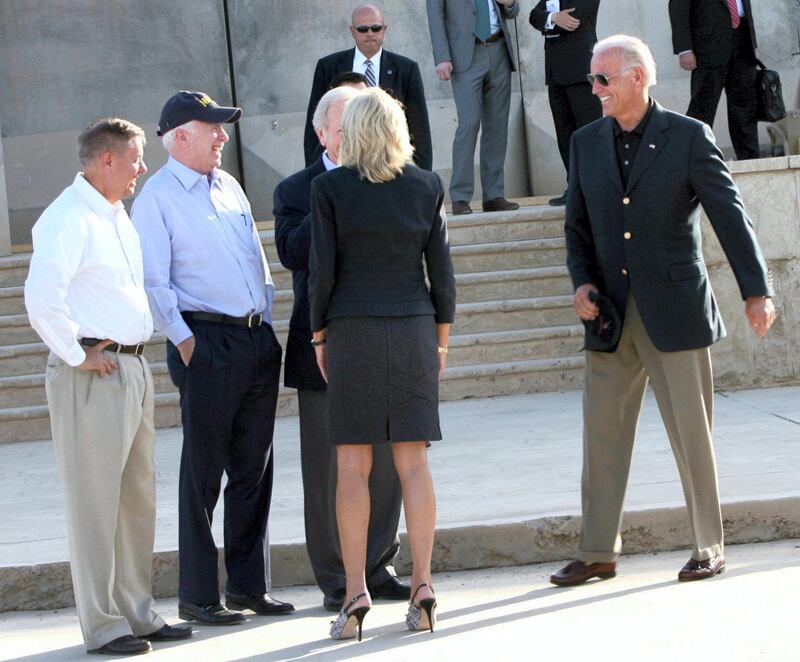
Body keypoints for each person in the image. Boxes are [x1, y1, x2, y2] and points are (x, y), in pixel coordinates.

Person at [552, 34, 775, 587]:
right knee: (601, 436)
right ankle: (598, 551)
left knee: (691, 433)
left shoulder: (689, 137)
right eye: (591, 78)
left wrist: (757, 290)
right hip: (608, 314)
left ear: (637, 77)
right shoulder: (585, 142)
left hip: (674, 308)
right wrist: (581, 282)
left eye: (603, 78)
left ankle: (708, 544)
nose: (594, 88)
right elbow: (576, 226)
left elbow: (730, 215)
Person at [24, 118, 192, 655]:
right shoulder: (66, 218)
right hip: (93, 373)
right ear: (107, 161)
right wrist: (76, 352)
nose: (144, 168)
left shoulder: (116, 215)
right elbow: (41, 299)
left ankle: (136, 612)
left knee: (135, 499)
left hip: (131, 368)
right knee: (94, 503)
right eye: (137, 158)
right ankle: (102, 624)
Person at [131, 91, 293, 625]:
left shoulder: (228, 185)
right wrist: (184, 341)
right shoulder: (156, 197)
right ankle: (199, 596)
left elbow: (255, 260)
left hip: (252, 339)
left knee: (254, 468)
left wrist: (264, 321)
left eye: (223, 127)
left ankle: (248, 586)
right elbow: (154, 281)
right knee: (203, 474)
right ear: (179, 136)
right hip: (205, 341)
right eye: (212, 128)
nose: (223, 137)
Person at [307, 88, 456, 640]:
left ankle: (353, 596)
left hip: (352, 330)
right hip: (415, 328)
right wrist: (439, 343)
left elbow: (321, 274)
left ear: (352, 132)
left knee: (353, 467)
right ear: (398, 129)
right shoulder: (425, 185)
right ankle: (422, 586)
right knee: (413, 463)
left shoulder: (329, 189)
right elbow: (442, 276)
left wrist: (319, 336)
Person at [274, 85, 410, 613]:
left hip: (385, 339)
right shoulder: (296, 188)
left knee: (388, 463)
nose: (356, 130)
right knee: (329, 471)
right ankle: (336, 575)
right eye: (345, 120)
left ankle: (379, 565)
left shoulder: (391, 180)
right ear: (322, 132)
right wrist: (334, 196)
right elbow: (291, 252)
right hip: (322, 346)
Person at [304, 4, 432, 171]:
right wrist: (313, 173)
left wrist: (422, 177)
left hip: (389, 165)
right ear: (352, 31)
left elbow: (419, 128)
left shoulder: (406, 69)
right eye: (363, 29)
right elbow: (316, 124)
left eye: (376, 28)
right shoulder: (328, 67)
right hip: (341, 167)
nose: (370, 33)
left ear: (384, 29)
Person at [426, 0, 521, 215]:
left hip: (499, 50)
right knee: (468, 124)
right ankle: (460, 196)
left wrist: (510, 3)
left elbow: (513, 11)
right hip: (465, 57)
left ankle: (494, 195)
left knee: (497, 127)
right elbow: (435, 17)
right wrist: (442, 57)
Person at [529, 0, 602, 206]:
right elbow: (534, 15)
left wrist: (550, 19)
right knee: (565, 134)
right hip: (555, 74)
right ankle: (574, 187)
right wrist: (552, 17)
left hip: (580, 71)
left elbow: (572, 20)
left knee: (588, 134)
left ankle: (594, 188)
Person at [669, 0, 760, 160]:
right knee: (702, 109)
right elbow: (678, 8)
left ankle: (750, 159)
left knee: (745, 108)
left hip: (742, 42)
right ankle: (693, 159)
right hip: (708, 49)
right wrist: (685, 49)